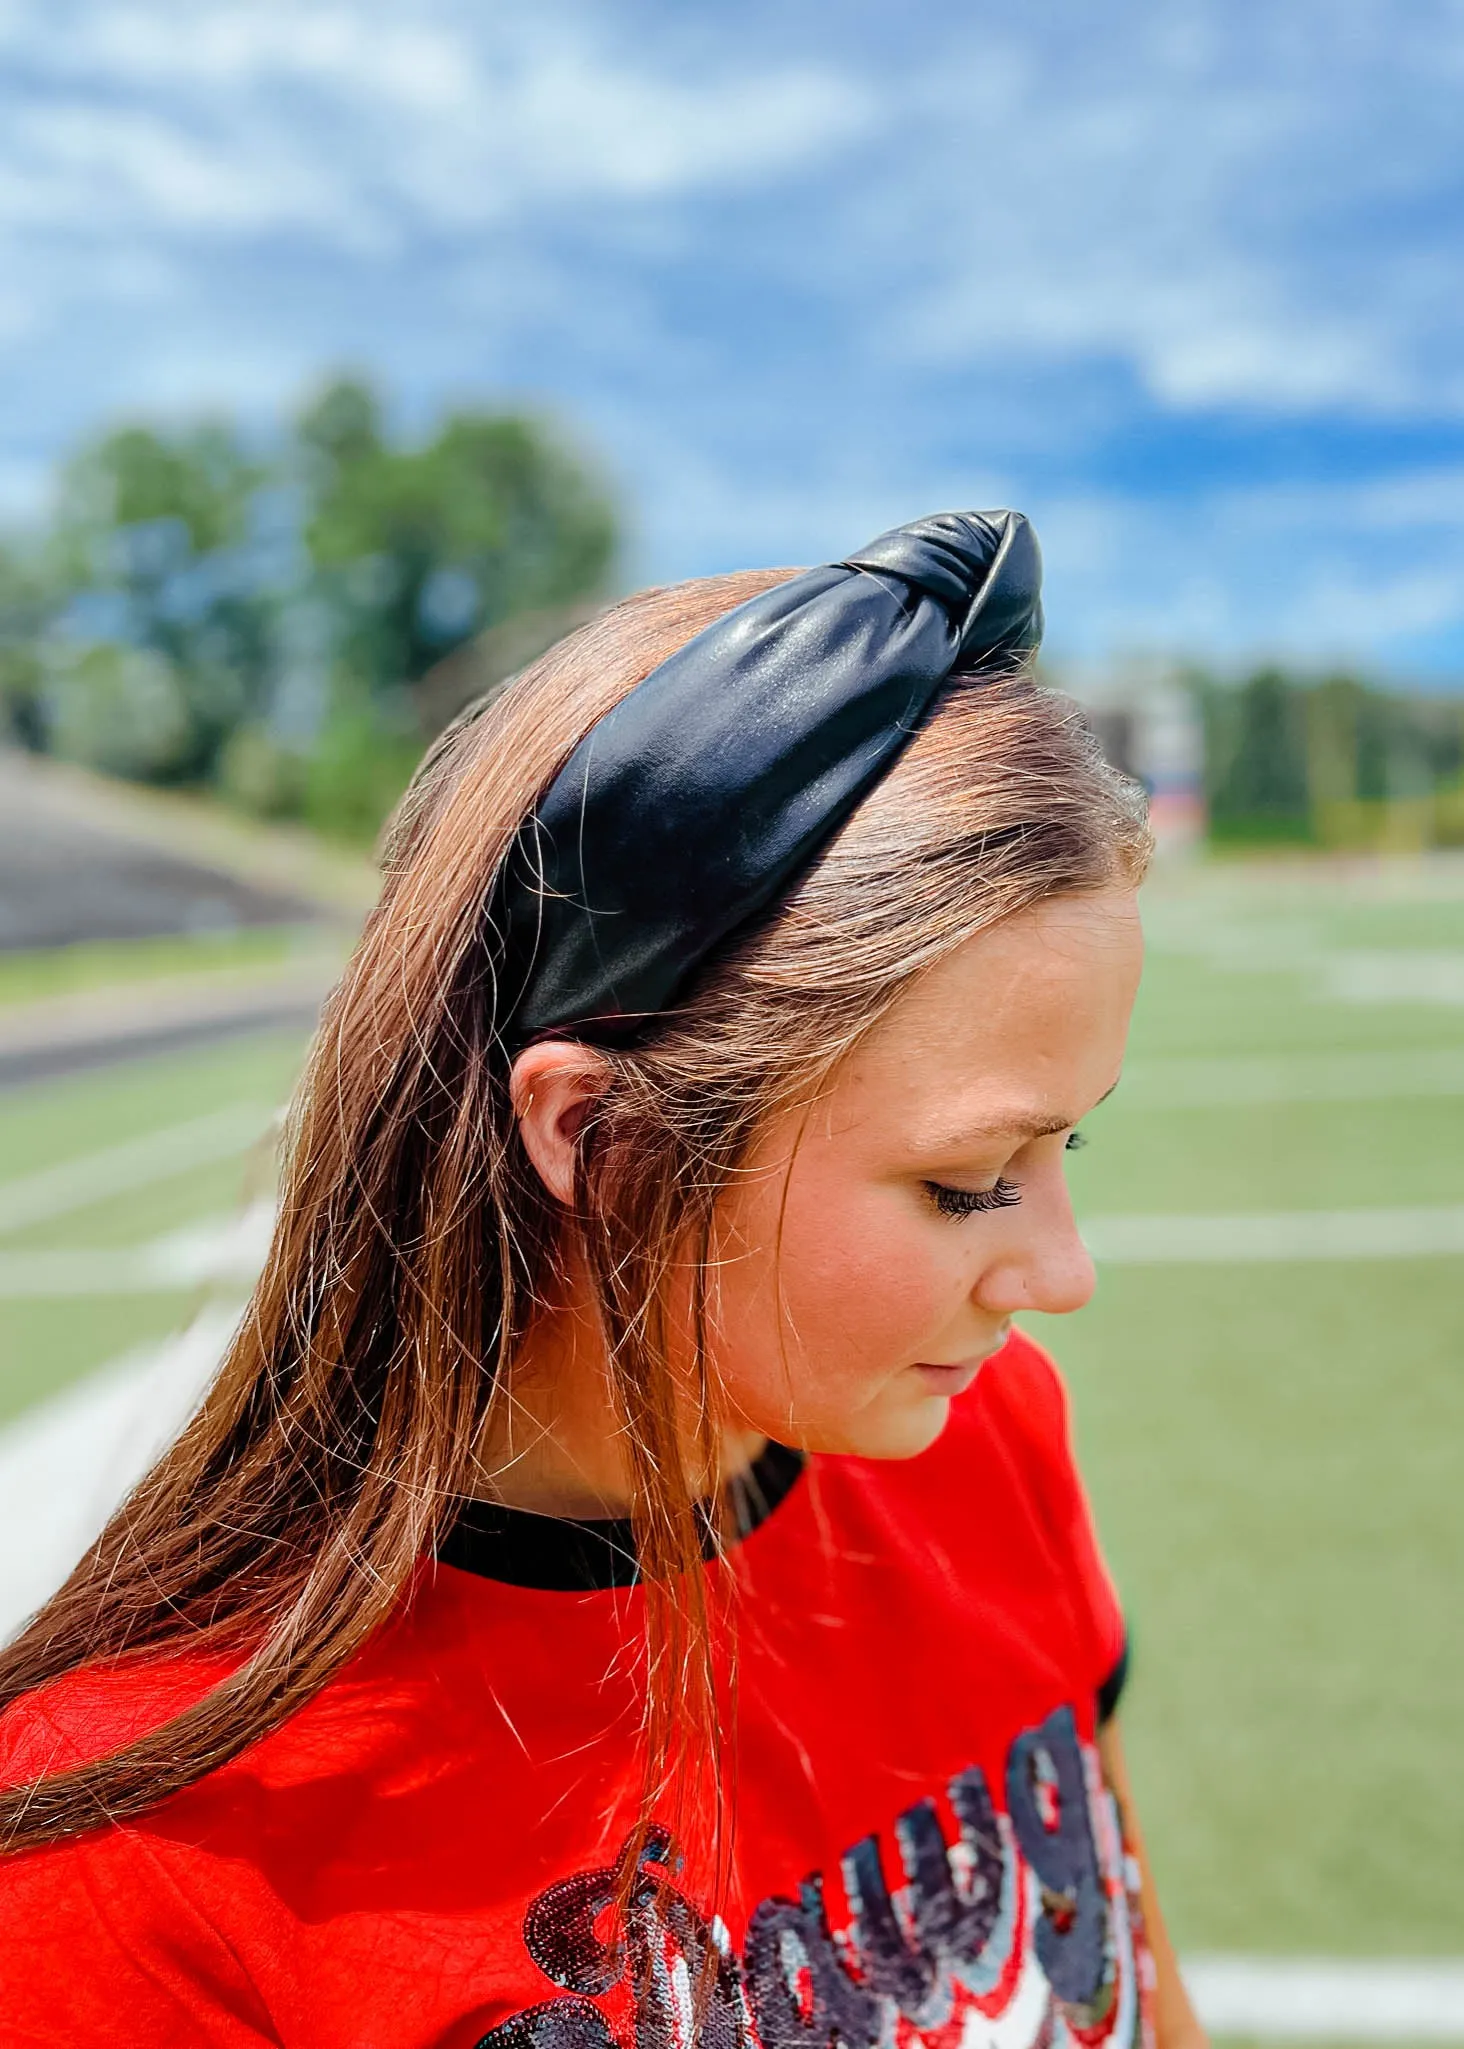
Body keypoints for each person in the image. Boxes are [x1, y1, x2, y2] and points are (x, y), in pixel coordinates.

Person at [0, 512, 1206, 2048]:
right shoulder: (128, 1871)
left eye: (1070, 1151)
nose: (1058, 1273)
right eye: (969, 1179)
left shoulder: (990, 1439)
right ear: (596, 1136)